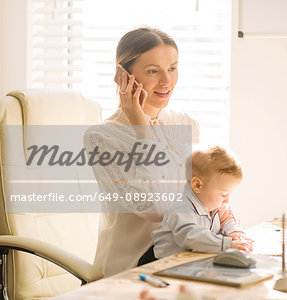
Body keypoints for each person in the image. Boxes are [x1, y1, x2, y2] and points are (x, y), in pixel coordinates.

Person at [84, 26, 239, 277]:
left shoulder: (185, 124)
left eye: (172, 68)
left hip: (185, 254)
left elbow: (199, 199)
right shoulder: (101, 138)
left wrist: (228, 223)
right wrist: (141, 128)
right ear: (123, 76)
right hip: (134, 268)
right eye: (153, 71)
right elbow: (153, 208)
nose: (166, 82)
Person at [151, 146, 253, 259]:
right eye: (224, 194)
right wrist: (228, 244)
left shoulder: (212, 204)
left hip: (193, 259)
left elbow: (227, 220)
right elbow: (192, 236)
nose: (227, 200)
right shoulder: (180, 206)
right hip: (165, 263)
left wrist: (236, 234)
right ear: (197, 185)